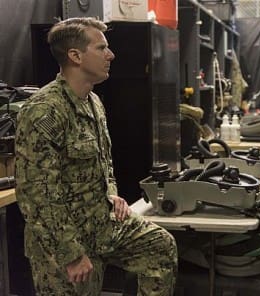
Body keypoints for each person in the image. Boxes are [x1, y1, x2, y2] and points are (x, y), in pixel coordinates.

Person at [15, 17, 177, 295]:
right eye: (101, 48)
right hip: (64, 237)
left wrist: (111, 193)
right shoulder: (45, 110)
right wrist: (71, 254)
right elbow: (36, 195)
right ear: (75, 56)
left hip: (100, 222)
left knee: (160, 246)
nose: (111, 54)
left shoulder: (93, 102)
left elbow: (104, 162)